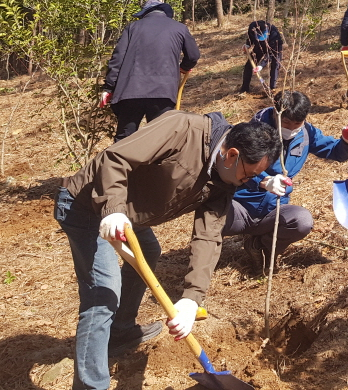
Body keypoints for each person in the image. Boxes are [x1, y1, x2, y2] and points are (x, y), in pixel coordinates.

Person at [55, 111, 280, 390]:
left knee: (148, 252)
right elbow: (114, 158)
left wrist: (190, 300)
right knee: (103, 295)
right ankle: (91, 386)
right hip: (87, 203)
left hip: (128, 213)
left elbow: (208, 237)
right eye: (249, 175)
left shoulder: (224, 180)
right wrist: (112, 210)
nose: (249, 182)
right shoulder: (183, 129)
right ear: (232, 155)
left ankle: (121, 331)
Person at [224, 90, 348, 275]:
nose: (291, 128)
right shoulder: (252, 132)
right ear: (275, 112)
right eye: (286, 122)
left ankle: (261, 247)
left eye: (297, 123)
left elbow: (334, 152)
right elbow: (232, 166)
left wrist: (345, 140)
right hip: (241, 205)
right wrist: (263, 181)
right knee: (214, 218)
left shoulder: (306, 133)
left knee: (302, 221)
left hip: (274, 209)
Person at [100, 0, 200, 141]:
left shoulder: (133, 27)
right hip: (163, 92)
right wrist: (183, 68)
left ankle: (121, 163)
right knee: (160, 141)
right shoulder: (179, 28)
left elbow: (117, 59)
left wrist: (109, 88)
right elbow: (193, 56)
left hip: (130, 92)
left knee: (124, 141)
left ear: (145, 13)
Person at [239, 20, 284, 93]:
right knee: (249, 65)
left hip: (274, 47)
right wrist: (248, 45)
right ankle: (245, 88)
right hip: (259, 46)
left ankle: (272, 88)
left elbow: (271, 55)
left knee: (275, 64)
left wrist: (261, 65)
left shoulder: (274, 33)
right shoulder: (252, 27)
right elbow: (250, 38)